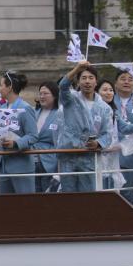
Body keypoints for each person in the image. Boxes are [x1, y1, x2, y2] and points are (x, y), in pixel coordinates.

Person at [56, 63, 113, 192]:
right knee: (68, 197)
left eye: (91, 78)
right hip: (69, 155)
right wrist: (77, 68)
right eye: (84, 77)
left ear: (96, 82)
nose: (87, 81)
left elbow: (108, 134)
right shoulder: (70, 99)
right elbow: (63, 86)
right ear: (78, 81)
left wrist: (98, 143)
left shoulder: (105, 108)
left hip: (89, 157)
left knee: (88, 197)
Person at [0, 71, 37, 194]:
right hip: (3, 166)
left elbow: (33, 135)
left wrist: (16, 143)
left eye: (1, 85)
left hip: (21, 166)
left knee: (25, 206)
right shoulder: (2, 108)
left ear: (10, 87)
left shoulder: (25, 108)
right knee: (6, 208)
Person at [110, 69, 133, 201]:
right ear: (115, 83)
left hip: (130, 155)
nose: (126, 82)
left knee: (127, 195)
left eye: (130, 79)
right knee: (108, 194)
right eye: (123, 79)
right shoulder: (108, 101)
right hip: (110, 154)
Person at [27, 82, 62, 192]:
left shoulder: (60, 113)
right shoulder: (34, 112)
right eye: (40, 93)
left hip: (49, 162)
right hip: (31, 160)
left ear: (55, 95)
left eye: (45, 93)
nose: (42, 96)